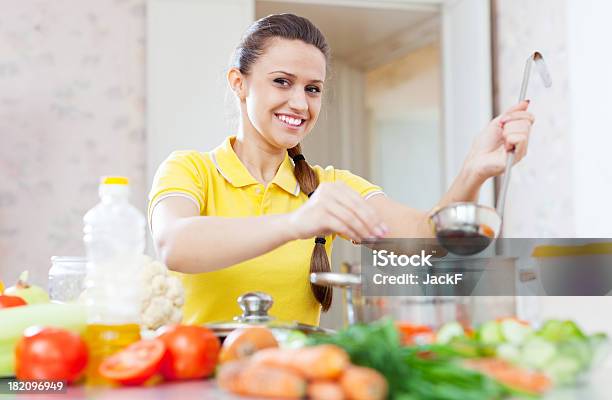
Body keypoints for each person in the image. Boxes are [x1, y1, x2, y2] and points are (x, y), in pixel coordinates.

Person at [148, 14, 534, 326]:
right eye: (282, 82)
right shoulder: (190, 170)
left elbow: (427, 240)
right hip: (199, 380)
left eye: (312, 89)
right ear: (239, 83)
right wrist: (297, 223)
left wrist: (475, 170)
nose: (299, 102)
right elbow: (176, 245)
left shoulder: (330, 186)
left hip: (298, 381)